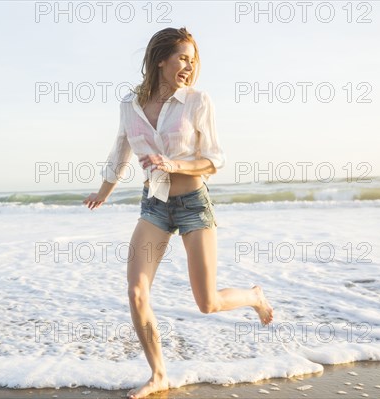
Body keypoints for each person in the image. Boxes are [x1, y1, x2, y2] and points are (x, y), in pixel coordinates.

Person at [83, 27, 274, 399]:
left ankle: (253, 296)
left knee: (207, 303)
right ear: (161, 60)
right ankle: (158, 374)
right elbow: (119, 153)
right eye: (182, 58)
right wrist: (103, 192)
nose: (189, 66)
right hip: (153, 206)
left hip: (192, 206)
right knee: (137, 292)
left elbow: (214, 160)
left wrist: (173, 165)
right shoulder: (130, 105)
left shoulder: (198, 101)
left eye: (192, 60)